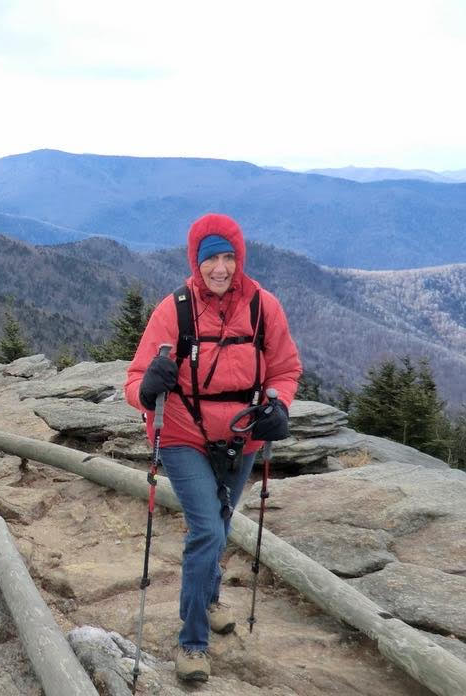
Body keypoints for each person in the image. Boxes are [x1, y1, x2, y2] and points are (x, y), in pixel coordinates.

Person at [125, 213, 301, 684]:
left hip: (244, 437)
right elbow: (135, 380)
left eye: (228, 258)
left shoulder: (264, 308)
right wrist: (148, 389)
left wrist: (278, 405)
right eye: (211, 259)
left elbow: (285, 369)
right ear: (195, 262)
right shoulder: (175, 310)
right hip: (184, 435)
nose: (220, 268)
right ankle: (192, 642)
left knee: (221, 524)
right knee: (206, 530)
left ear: (239, 259)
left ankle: (211, 594)